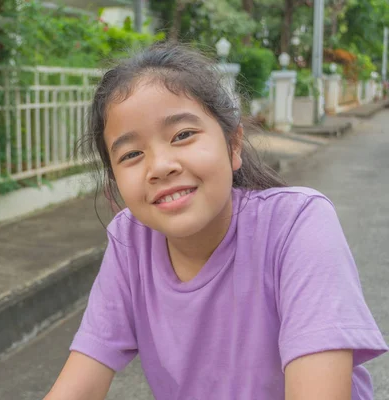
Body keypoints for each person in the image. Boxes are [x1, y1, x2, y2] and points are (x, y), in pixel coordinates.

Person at [44, 43, 388, 400]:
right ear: (114, 181)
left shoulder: (297, 224)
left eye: (182, 135)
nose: (161, 166)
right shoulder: (130, 241)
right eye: (131, 154)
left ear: (233, 144)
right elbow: (80, 383)